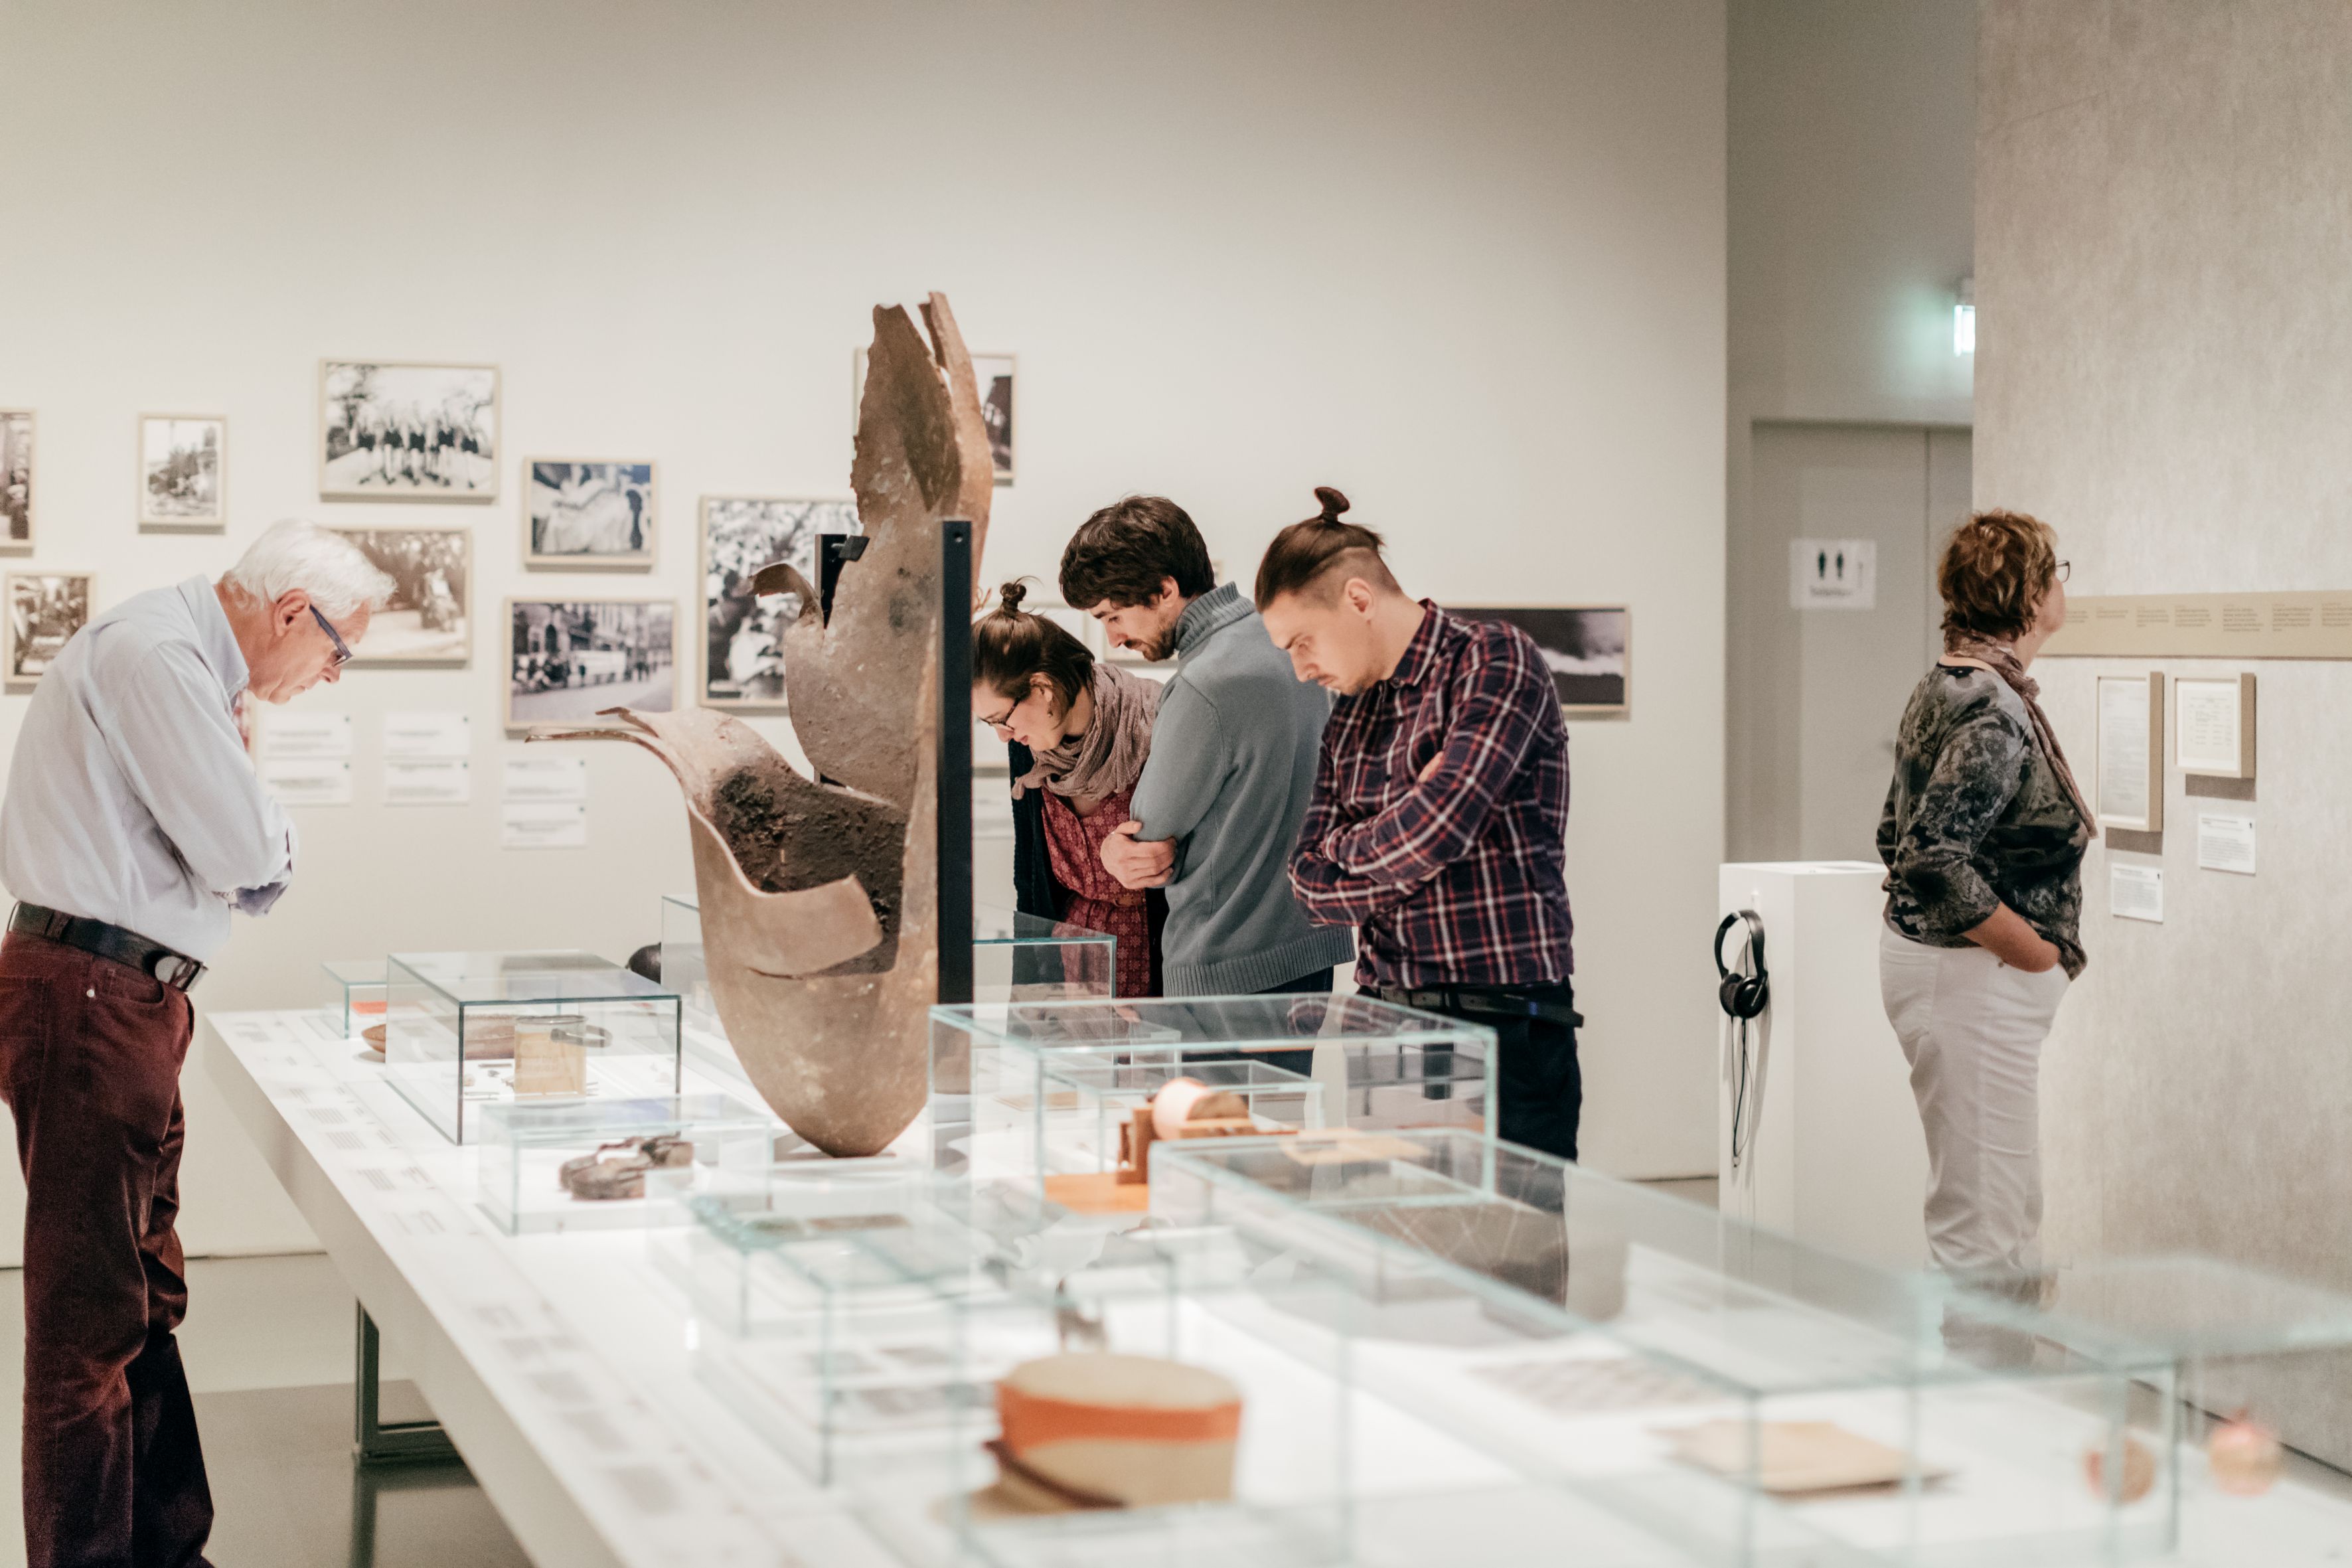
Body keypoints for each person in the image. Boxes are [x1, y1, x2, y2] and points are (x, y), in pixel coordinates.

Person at [0, 519, 392, 1568]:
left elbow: (238, 850)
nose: (331, 675)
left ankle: (166, 1548)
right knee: (87, 1326)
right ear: (291, 612)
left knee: (143, 1294)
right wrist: (265, 825)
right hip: (95, 996)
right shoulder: (159, 655)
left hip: (126, 992)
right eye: (338, 650)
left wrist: (251, 823)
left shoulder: (175, 657)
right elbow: (249, 851)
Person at [1257, 488, 1581, 1159]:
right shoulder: (1351, 712)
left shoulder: (1493, 662)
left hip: (1501, 1024)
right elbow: (1309, 882)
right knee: (1391, 1245)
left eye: (1302, 641)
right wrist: (1403, 823)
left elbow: (1438, 831)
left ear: (1357, 598)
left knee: (1509, 1256)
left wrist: (1361, 843)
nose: (1300, 666)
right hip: (1387, 1021)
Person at [1878, 509, 2090, 1275]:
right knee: (1985, 1228)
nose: (2062, 586)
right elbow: (1930, 857)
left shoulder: (1951, 683)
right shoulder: (1994, 709)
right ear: (2031, 594)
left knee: (2000, 1207)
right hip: (1974, 982)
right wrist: (2034, 952)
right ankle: (1983, 1387)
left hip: (1959, 979)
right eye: (2056, 571)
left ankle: (2001, 1380)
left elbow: (1890, 835)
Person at [1060, 497, 1354, 1036]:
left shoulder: (1203, 684)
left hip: (1225, 965)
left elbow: (1145, 836)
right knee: (1280, 1119)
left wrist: (1109, 848)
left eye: (1113, 615)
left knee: (1213, 1123)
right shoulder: (1286, 644)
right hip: (1308, 952)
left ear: (1165, 590)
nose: (1114, 637)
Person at [973, 581, 1165, 998]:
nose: (1004, 736)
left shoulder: (1154, 725)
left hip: (1158, 957)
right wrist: (1032, 995)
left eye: (1001, 719)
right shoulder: (1031, 751)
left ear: (1042, 690)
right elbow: (1031, 878)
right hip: (1067, 962)